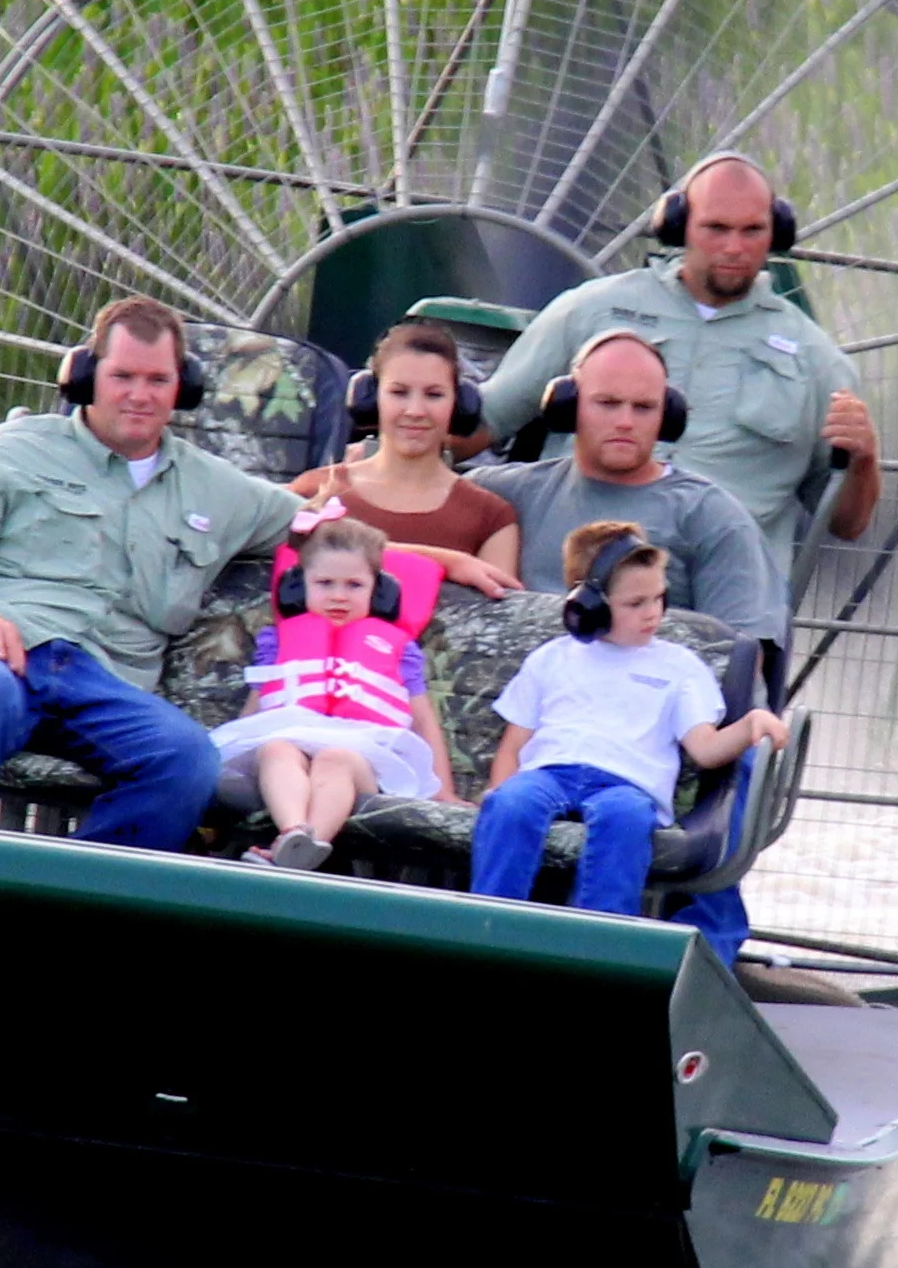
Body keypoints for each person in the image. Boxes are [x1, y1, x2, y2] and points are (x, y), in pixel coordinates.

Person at [0, 296, 314, 850]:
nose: (140, 395)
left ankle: (65, 897)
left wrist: (392, 495)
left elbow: (328, 527)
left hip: (105, 684)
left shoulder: (218, 488)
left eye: (157, 379)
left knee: (187, 759)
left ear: (183, 387)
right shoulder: (8, 452)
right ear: (87, 376)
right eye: (123, 376)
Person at [486, 155, 880, 576]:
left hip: (718, 594)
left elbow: (848, 524)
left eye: (752, 230)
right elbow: (480, 423)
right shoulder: (590, 309)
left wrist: (864, 460)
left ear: (777, 233)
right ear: (678, 224)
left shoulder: (816, 359)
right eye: (717, 228)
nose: (734, 247)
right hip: (568, 580)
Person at [468, 523, 790, 917]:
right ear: (589, 606)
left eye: (659, 598)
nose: (652, 612)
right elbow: (514, 745)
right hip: (549, 773)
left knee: (626, 819)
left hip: (626, 784)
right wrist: (498, 789)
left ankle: (601, 936)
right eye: (635, 603)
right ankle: (489, 923)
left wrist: (751, 724)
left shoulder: (678, 665)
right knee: (510, 804)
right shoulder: (551, 658)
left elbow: (705, 748)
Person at [470, 328, 789, 660]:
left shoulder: (712, 516)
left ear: (667, 417)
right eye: (608, 403)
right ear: (567, 406)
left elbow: (742, 658)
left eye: (643, 407)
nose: (625, 421)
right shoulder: (507, 492)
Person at [206, 519, 457, 871]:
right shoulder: (277, 640)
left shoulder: (400, 649)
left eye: (354, 585)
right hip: (288, 734)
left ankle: (303, 848)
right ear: (298, 586)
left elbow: (423, 719)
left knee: (335, 759)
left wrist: (443, 790)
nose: (339, 595)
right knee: (276, 749)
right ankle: (293, 835)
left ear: (379, 591)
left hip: (364, 752)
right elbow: (258, 705)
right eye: (324, 583)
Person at [289, 320, 524, 592]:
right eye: (399, 393)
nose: (415, 410)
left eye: (434, 395)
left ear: (460, 404)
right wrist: (448, 563)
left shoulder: (490, 517)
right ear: (371, 398)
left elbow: (500, 610)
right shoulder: (314, 493)